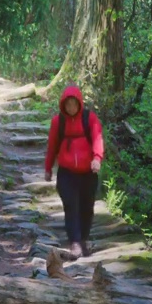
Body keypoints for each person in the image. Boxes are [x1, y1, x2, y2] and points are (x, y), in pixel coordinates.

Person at [44, 84, 104, 259]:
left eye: (74, 104)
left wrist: (97, 158)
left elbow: (98, 138)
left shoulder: (89, 119)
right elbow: (52, 146)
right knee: (71, 206)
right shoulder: (58, 122)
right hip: (67, 173)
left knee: (87, 207)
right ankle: (75, 242)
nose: (71, 108)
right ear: (63, 105)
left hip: (88, 173)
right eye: (68, 104)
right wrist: (48, 168)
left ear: (79, 103)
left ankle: (84, 239)